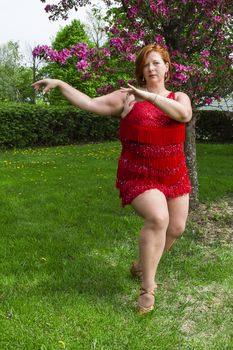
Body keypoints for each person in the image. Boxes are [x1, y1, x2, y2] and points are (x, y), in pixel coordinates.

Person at [32, 43, 192, 315]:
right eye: (145, 64)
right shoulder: (127, 97)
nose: (151, 68)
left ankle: (143, 264)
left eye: (156, 62)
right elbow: (90, 103)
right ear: (140, 70)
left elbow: (184, 115)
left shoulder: (180, 97)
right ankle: (147, 289)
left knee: (176, 228)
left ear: (167, 66)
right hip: (138, 173)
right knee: (158, 218)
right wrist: (61, 83)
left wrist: (149, 97)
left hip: (174, 173)